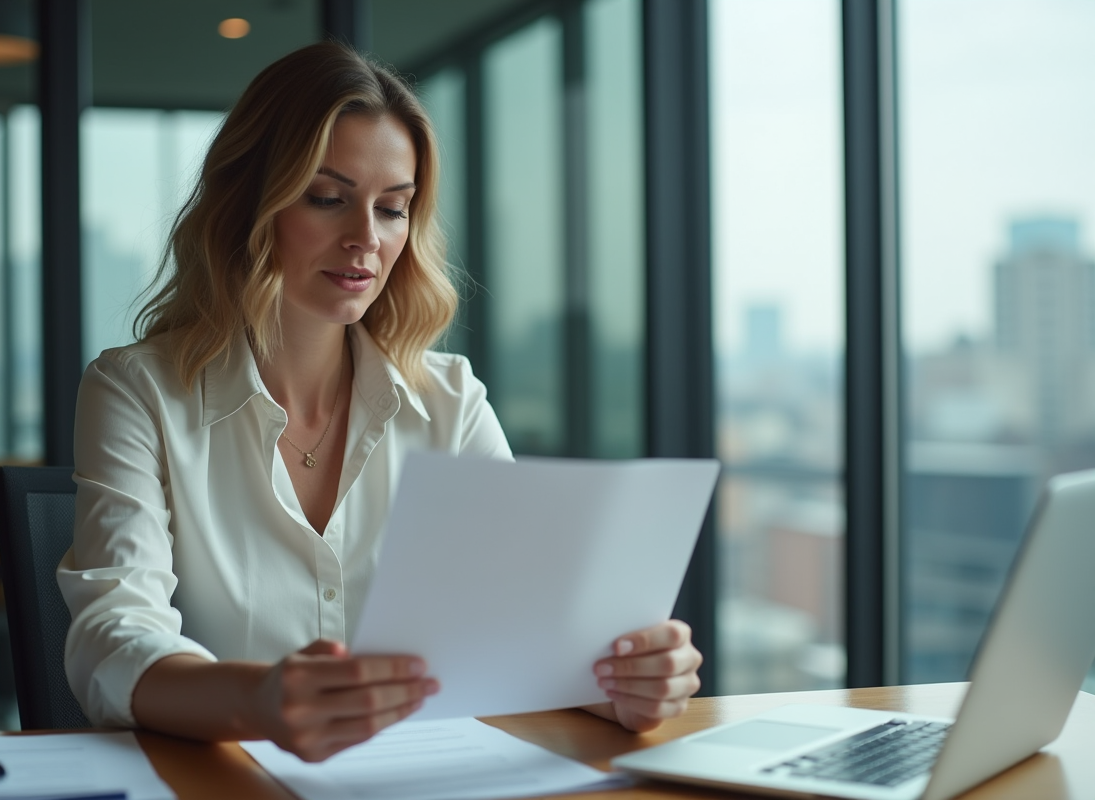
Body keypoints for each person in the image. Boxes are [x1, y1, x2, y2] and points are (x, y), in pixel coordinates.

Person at [58, 41, 702, 763]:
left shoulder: (450, 402)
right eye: (328, 199)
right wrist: (261, 702)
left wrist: (622, 682)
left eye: (393, 209)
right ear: (248, 203)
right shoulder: (136, 391)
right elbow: (114, 636)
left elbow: (524, 627)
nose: (366, 238)